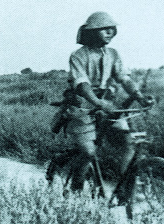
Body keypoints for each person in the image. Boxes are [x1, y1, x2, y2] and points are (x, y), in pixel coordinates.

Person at [59, 12, 153, 190]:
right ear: (92, 32)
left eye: (112, 29)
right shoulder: (78, 56)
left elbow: (124, 79)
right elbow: (82, 83)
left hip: (106, 107)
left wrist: (139, 97)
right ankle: (75, 191)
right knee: (88, 152)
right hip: (82, 109)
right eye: (104, 29)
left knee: (128, 143)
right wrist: (98, 102)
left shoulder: (113, 54)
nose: (110, 32)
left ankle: (126, 189)